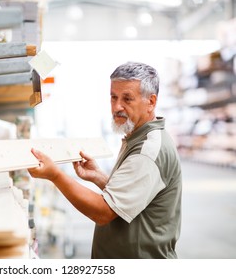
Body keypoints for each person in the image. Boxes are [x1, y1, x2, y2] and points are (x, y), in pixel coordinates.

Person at [28, 62, 182, 259]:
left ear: (151, 102)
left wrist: (55, 175)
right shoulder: (137, 136)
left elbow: (103, 212)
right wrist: (99, 177)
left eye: (127, 99)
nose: (117, 106)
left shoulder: (147, 151)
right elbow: (132, 197)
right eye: (113, 97)